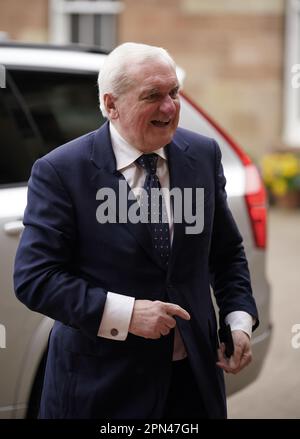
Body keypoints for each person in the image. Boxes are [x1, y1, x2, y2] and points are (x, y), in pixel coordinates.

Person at [14, 42, 258, 419]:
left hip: (192, 384)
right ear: (111, 105)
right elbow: (35, 279)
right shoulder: (60, 171)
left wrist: (237, 320)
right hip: (100, 387)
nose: (170, 107)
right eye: (153, 96)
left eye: (174, 92)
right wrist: (126, 314)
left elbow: (225, 254)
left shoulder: (203, 155)